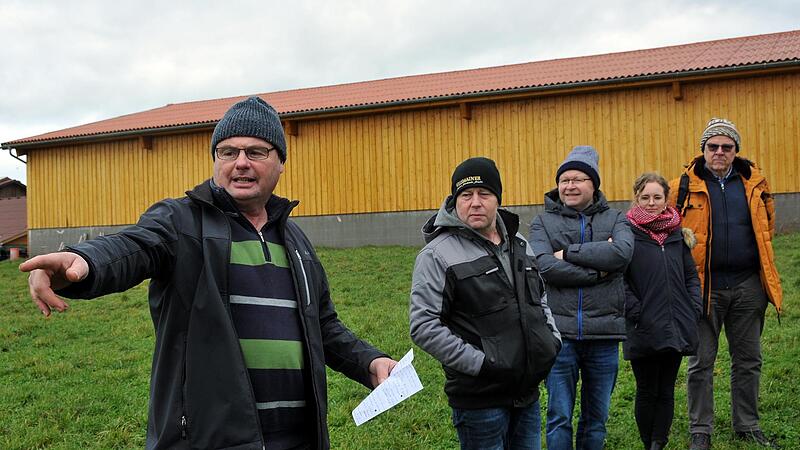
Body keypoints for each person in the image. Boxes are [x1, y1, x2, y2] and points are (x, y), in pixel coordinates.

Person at [20, 96, 397, 450]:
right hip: (209, 437)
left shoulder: (295, 240)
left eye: (256, 151)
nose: (241, 162)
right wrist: (83, 261)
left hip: (298, 437)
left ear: (280, 161)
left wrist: (369, 362)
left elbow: (323, 325)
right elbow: (135, 246)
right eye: (228, 152)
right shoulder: (181, 221)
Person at [409, 157, 561, 450]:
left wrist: (551, 341)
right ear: (455, 202)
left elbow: (540, 299)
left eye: (484, 194)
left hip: (527, 392)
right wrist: (482, 364)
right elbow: (424, 326)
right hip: (480, 400)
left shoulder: (520, 244)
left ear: (498, 199)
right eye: (466, 195)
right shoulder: (437, 255)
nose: (475, 203)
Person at [670, 118, 783, 450]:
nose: (719, 152)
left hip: (748, 286)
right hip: (703, 289)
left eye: (726, 147)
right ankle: (700, 430)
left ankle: (747, 424)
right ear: (702, 149)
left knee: (749, 359)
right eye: (712, 146)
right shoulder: (682, 186)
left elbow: (767, 229)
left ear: (736, 151)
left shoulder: (755, 184)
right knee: (701, 362)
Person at [528, 145, 634, 450]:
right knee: (559, 416)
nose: (569, 186)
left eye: (578, 179)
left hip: (604, 337)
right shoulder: (542, 222)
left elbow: (622, 253)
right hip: (560, 337)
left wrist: (570, 254)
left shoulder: (616, 219)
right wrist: (600, 272)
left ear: (594, 185)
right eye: (565, 180)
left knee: (596, 418)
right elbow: (544, 266)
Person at [623, 173, 702, 450]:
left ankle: (660, 442)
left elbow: (691, 276)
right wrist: (636, 310)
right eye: (645, 197)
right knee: (647, 390)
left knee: (666, 390)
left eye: (657, 197)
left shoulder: (676, 234)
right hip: (642, 325)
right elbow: (620, 279)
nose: (652, 203)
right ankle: (648, 443)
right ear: (637, 198)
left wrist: (693, 307)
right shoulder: (627, 234)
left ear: (666, 198)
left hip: (675, 323)